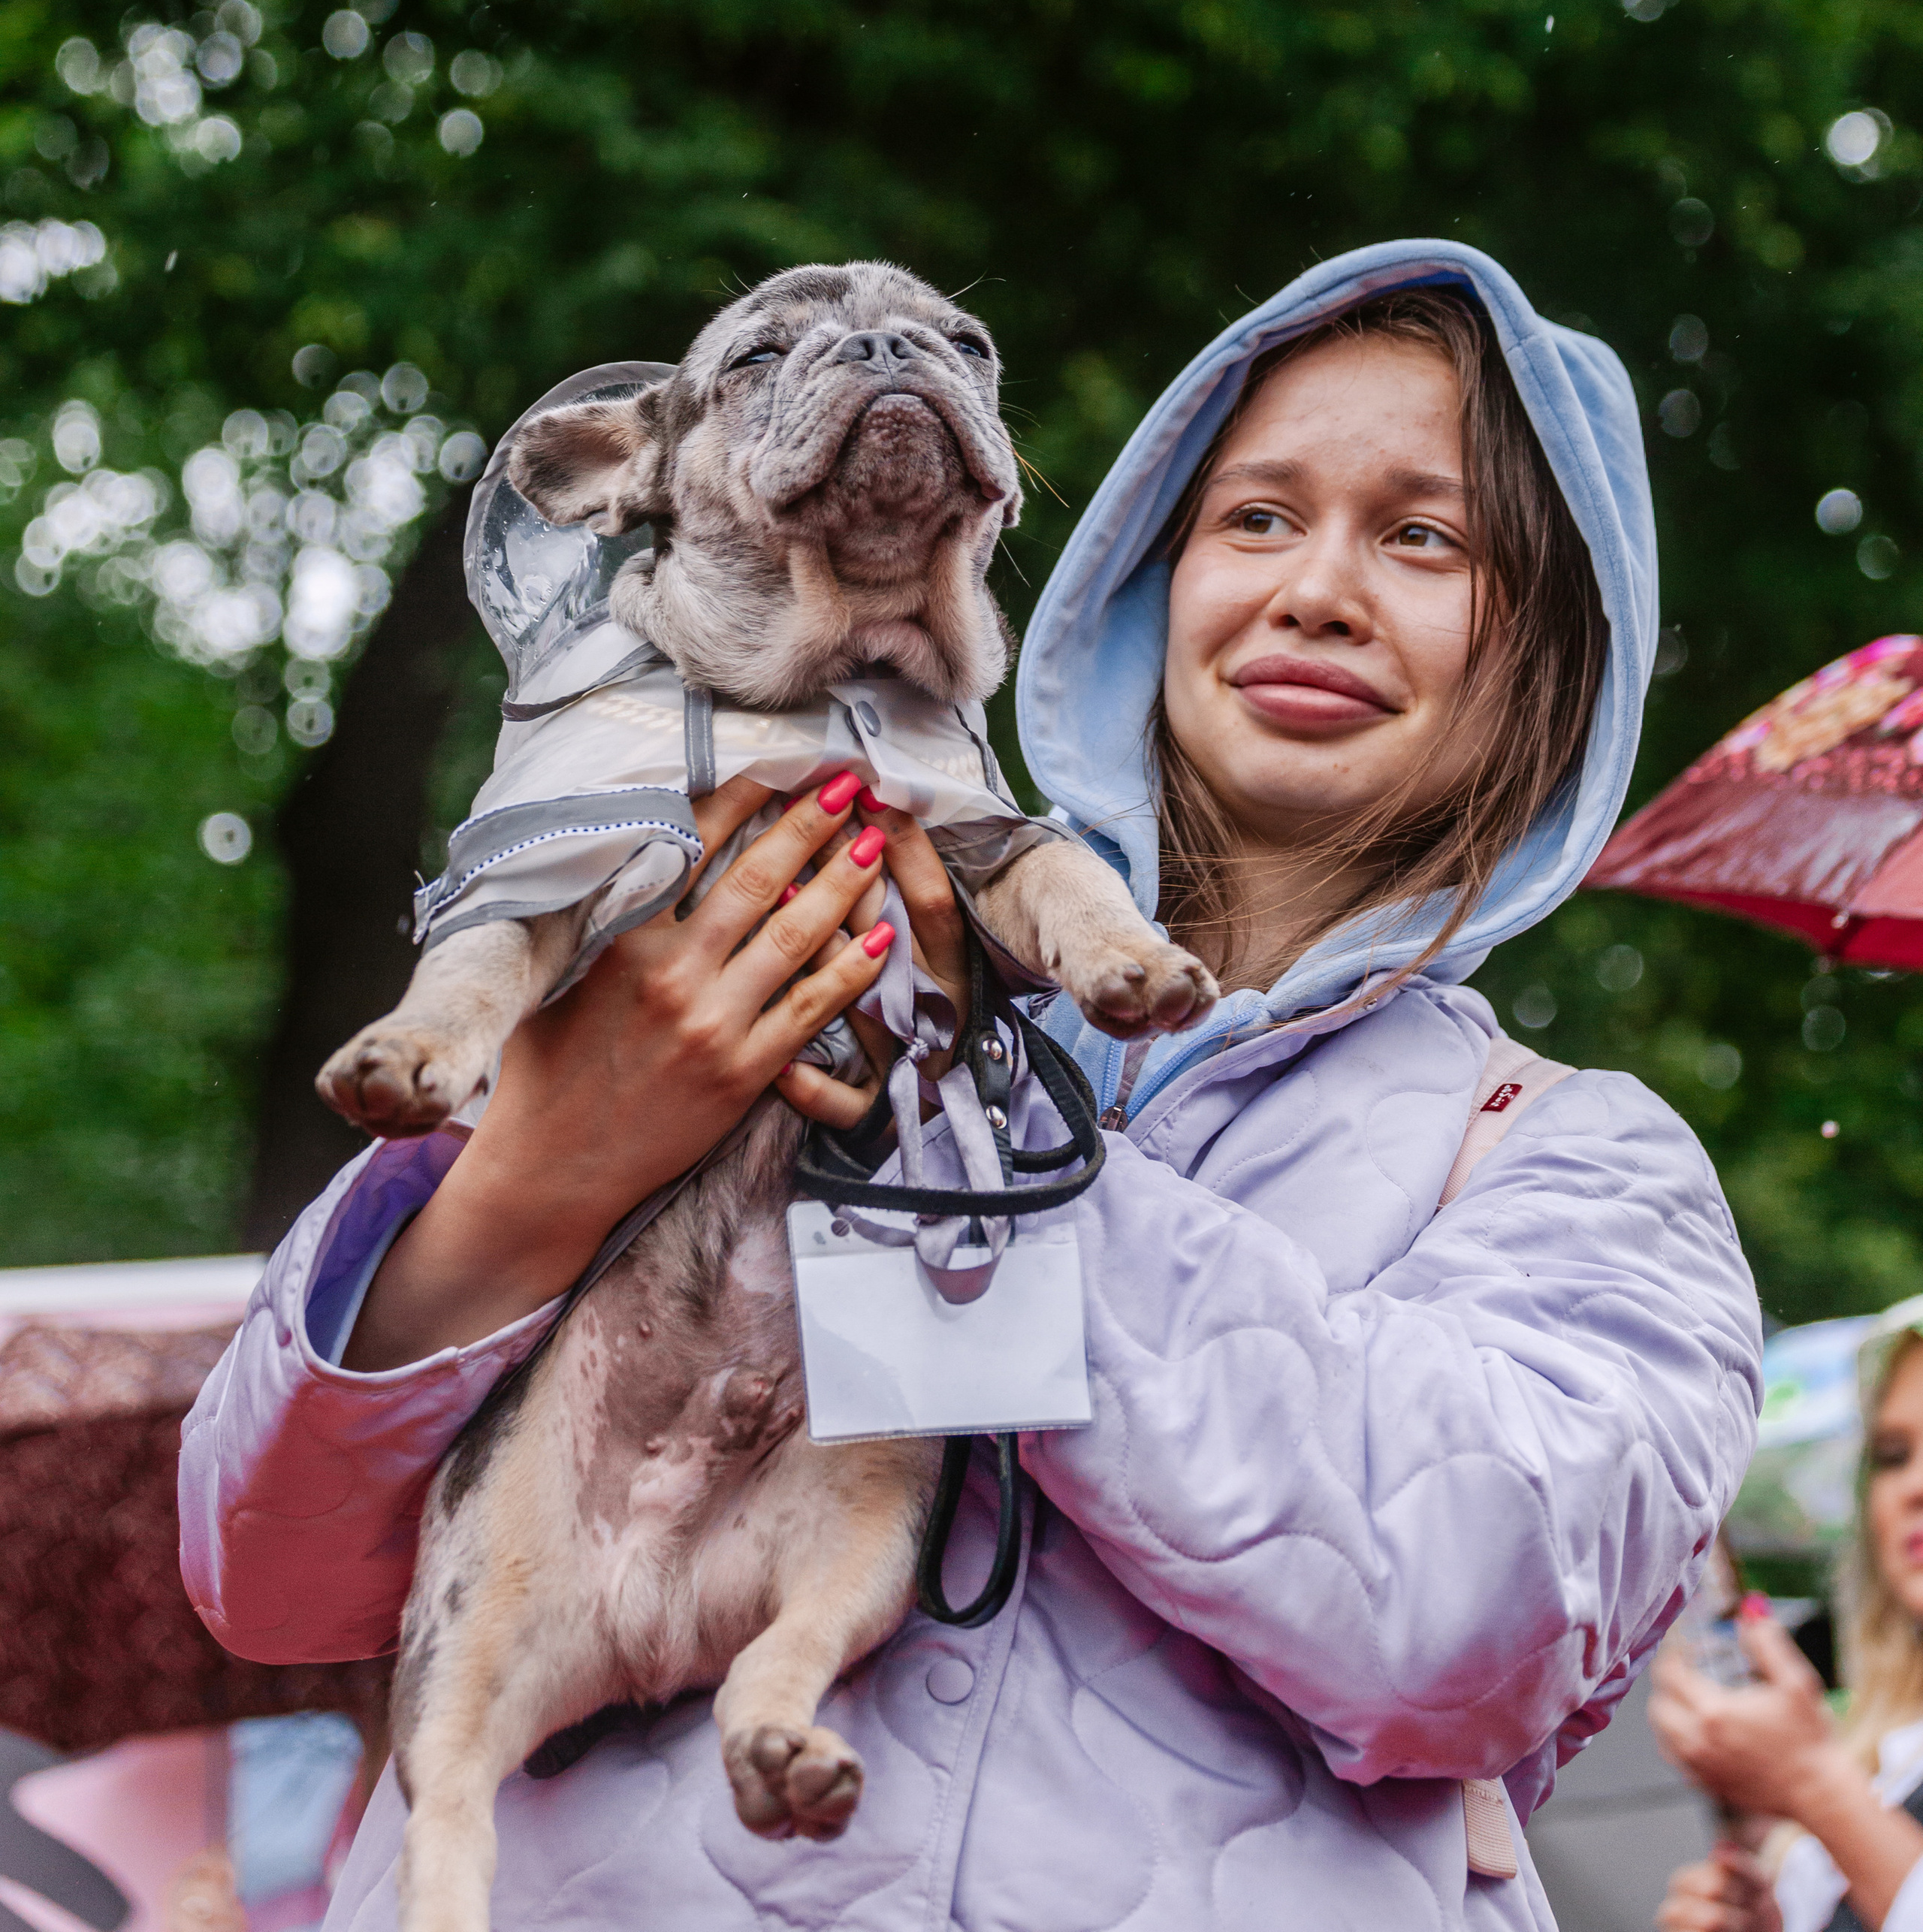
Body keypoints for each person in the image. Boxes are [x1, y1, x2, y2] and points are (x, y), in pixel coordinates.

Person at [180, 239, 1762, 1930]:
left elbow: (1461, 1624)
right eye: (1254, 517)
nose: (1315, 588)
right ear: (1142, 584)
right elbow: (265, 1572)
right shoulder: (702, 930)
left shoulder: (1575, 1166)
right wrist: (545, 1168)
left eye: (1422, 537)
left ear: (1546, 655)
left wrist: (962, 1089)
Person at [1654, 1309, 1923, 1932]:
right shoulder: (1885, 1761)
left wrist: (1813, 1783)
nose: (1913, 1486)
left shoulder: (1841, 1778)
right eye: (1891, 1455)